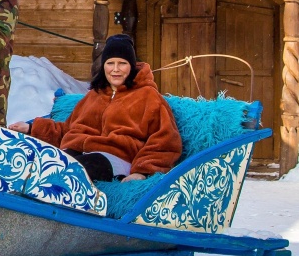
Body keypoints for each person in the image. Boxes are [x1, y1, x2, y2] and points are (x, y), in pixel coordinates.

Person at [11, 33, 181, 182]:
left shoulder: (148, 97)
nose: (115, 69)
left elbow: (165, 140)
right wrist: (32, 128)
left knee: (79, 169)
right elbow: (67, 129)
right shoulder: (94, 95)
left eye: (122, 63)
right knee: (44, 163)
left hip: (114, 157)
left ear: (131, 66)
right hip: (78, 149)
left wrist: (142, 170)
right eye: (110, 63)